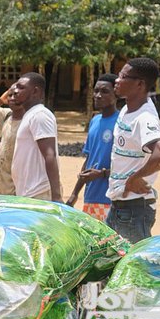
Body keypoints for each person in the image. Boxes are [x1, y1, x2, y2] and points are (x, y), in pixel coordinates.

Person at [107, 57, 160, 243]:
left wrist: (135, 178)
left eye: (123, 76)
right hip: (120, 205)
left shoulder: (144, 118)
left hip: (133, 209)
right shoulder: (127, 110)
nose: (117, 80)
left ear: (139, 84)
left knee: (135, 266)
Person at [66, 73, 120, 220]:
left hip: (110, 198)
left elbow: (127, 166)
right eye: (96, 91)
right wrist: (74, 193)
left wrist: (102, 174)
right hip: (90, 196)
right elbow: (89, 160)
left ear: (116, 94)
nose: (98, 95)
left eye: (104, 91)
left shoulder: (121, 123)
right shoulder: (94, 121)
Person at [10, 72, 62, 202]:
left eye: (21, 88)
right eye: (16, 87)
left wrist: (56, 196)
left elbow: (50, 155)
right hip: (29, 193)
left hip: (39, 193)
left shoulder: (39, 115)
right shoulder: (30, 115)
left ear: (35, 91)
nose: (15, 91)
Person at [0, 85, 21, 196]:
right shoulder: (8, 116)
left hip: (18, 190)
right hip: (3, 189)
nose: (11, 98)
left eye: (16, 95)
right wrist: (1, 100)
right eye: (9, 95)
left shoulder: (29, 120)